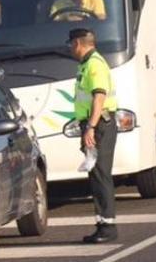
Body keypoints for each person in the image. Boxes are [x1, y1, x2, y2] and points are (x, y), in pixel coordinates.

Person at [67, 28, 118, 244]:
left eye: (71, 44)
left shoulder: (94, 65)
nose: (69, 48)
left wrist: (90, 127)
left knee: (100, 175)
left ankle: (107, 226)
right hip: (95, 125)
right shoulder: (87, 64)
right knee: (96, 174)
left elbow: (99, 97)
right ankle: (102, 223)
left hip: (100, 126)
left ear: (78, 43)